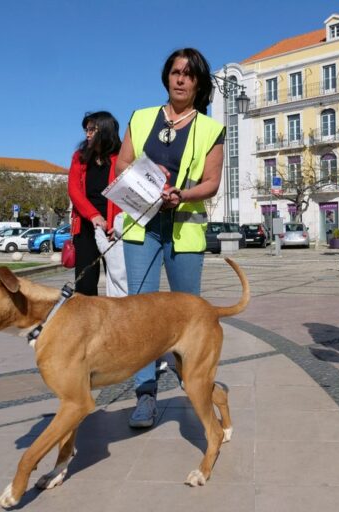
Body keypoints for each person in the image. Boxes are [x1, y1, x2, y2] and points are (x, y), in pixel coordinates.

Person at [115, 48, 225, 428]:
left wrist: (182, 194)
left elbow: (211, 182)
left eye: (189, 74)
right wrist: (149, 176)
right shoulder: (141, 117)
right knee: (139, 315)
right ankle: (145, 395)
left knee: (187, 316)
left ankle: (194, 381)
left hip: (185, 229)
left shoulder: (211, 128)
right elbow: (122, 163)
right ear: (167, 77)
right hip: (141, 224)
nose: (180, 79)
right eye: (175, 72)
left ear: (198, 83)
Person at [67, 111, 126, 296]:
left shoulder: (121, 157)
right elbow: (74, 190)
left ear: (106, 129)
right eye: (86, 129)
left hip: (114, 227)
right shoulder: (80, 156)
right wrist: (93, 216)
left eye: (92, 129)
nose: (88, 133)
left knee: (118, 281)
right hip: (86, 226)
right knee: (85, 284)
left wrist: (116, 223)